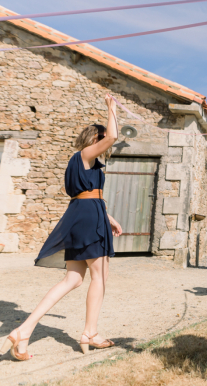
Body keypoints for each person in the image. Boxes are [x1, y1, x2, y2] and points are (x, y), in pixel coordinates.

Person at [1, 95, 123, 361]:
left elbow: (89, 195)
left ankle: (24, 330)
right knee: (99, 277)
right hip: (89, 218)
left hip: (85, 214)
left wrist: (109, 216)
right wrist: (111, 108)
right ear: (94, 139)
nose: (105, 143)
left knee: (73, 279)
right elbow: (112, 136)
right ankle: (90, 333)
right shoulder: (84, 156)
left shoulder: (82, 162)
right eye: (101, 138)